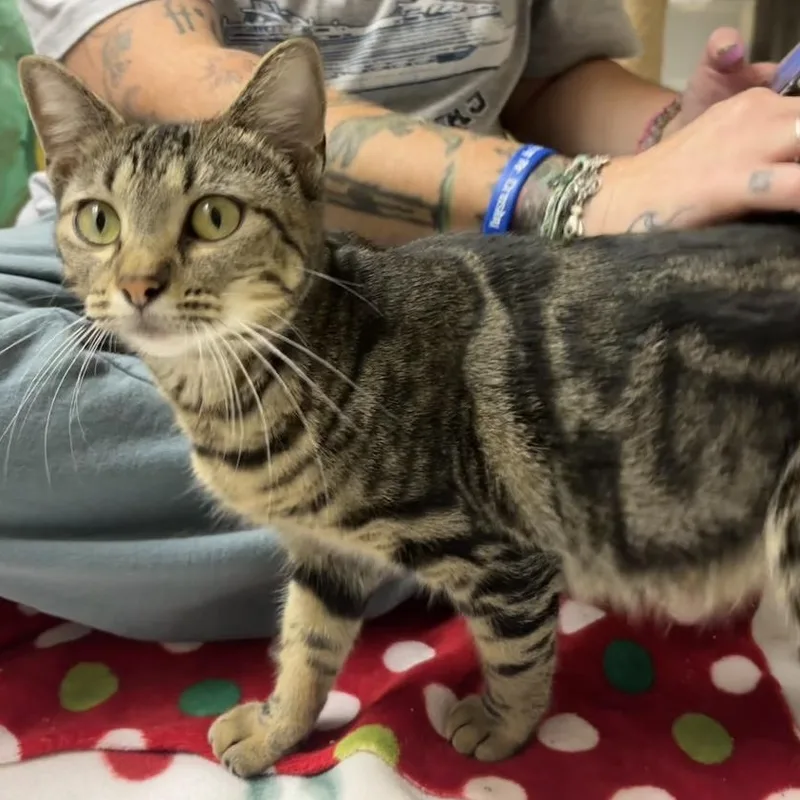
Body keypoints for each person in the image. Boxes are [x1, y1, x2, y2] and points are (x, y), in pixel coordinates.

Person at [1, 0, 799, 641]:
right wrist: (564, 191)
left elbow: (553, 79)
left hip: (447, 288)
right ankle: (439, 519)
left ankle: (413, 520)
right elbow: (165, 80)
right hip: (153, 271)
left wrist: (683, 142)